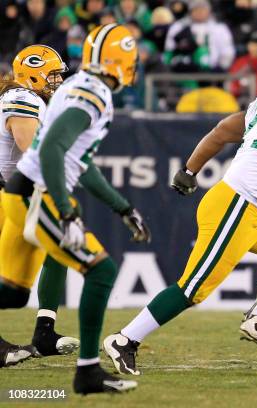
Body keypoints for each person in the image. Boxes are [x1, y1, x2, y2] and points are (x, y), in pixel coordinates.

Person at [102, 58, 257, 373]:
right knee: (193, 288)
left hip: (256, 211)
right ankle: (125, 339)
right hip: (238, 206)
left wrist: (189, 170)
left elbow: (220, 132)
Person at [0, 24, 150, 394]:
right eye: (129, 60)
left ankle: (69, 354)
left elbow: (78, 159)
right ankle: (87, 373)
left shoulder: (80, 88)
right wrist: (67, 211)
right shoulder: (90, 92)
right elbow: (50, 150)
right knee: (102, 271)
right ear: (118, 61)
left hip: (25, 191)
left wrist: (121, 206)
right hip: (35, 194)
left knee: (14, 293)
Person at [0, 45, 80, 367]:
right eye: (53, 74)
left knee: (57, 246)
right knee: (11, 282)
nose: (58, 80)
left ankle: (45, 331)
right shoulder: (23, 98)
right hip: (9, 194)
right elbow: (30, 147)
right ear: (31, 72)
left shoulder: (35, 101)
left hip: (14, 192)